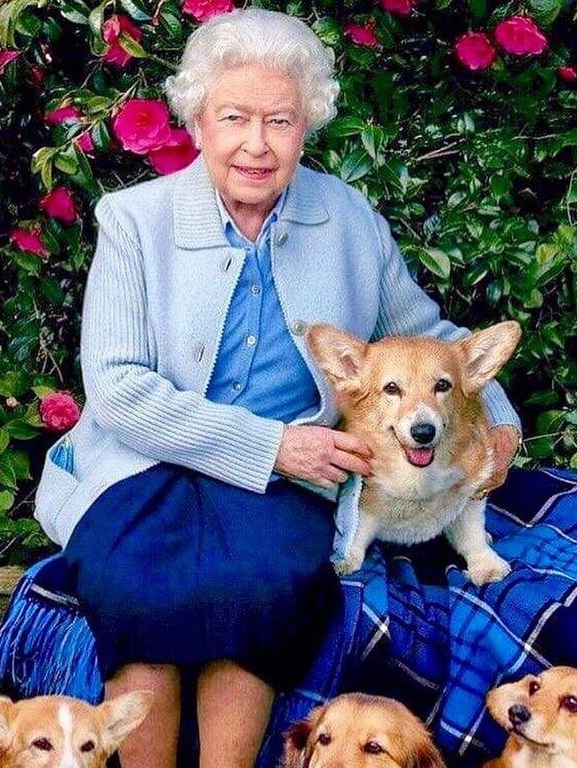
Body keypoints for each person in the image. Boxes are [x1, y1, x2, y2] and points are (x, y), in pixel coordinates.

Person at [33, 9, 521, 768]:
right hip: (142, 462)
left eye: (280, 121)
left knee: (266, 584)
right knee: (134, 585)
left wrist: (499, 421)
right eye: (234, 117)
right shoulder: (135, 221)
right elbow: (119, 389)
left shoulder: (347, 217)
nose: (256, 144)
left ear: (306, 128)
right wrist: (272, 445)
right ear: (197, 119)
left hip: (291, 481)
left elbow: (428, 335)